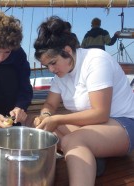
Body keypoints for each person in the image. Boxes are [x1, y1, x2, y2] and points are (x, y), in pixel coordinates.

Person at [33, 16, 134, 186]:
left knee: (71, 141)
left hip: (123, 125)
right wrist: (46, 115)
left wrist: (56, 119)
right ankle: (92, 157)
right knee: (40, 130)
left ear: (67, 50)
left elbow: (100, 113)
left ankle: (88, 156)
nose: (51, 69)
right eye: (47, 66)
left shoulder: (95, 60)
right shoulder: (61, 73)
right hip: (92, 127)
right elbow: (50, 104)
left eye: (53, 63)